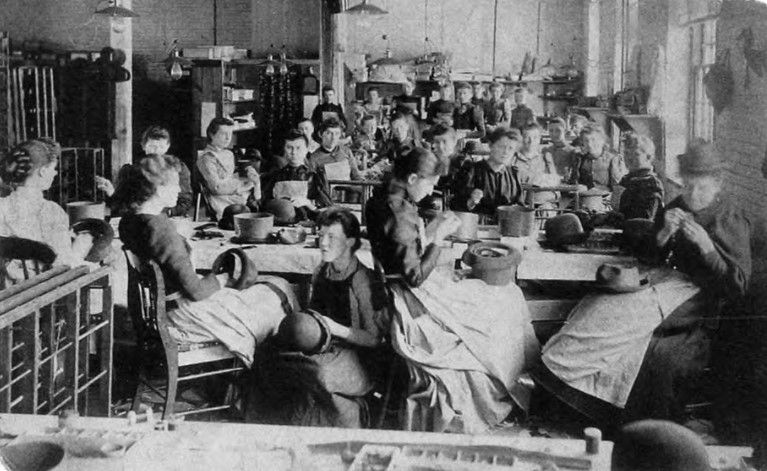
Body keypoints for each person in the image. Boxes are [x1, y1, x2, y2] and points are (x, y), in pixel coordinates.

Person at [537, 140, 751, 427]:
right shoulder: (677, 205)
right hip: (664, 279)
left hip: (698, 296)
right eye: (687, 186)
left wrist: (707, 248)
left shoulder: (731, 217)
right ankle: (561, 381)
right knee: (597, 304)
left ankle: (577, 382)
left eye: (701, 188)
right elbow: (651, 255)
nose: (693, 194)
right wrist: (663, 233)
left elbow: (737, 285)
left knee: (618, 313)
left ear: (718, 185)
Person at [366, 147, 538, 433]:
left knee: (495, 296)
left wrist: (430, 229)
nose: (432, 189)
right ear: (411, 178)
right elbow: (415, 276)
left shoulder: (382, 199)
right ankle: (506, 386)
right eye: (430, 183)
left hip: (397, 284)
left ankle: (514, 379)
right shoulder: (399, 213)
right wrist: (439, 239)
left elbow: (398, 249)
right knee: (502, 303)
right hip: (409, 296)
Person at [116, 155, 299, 367]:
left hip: (158, 311)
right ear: (158, 188)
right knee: (279, 289)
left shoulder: (130, 221)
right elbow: (196, 291)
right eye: (175, 184)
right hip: (183, 315)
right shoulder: (160, 229)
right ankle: (280, 367)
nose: (179, 190)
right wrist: (222, 278)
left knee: (268, 288)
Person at [306, 208, 391, 427]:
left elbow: (374, 339)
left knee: (317, 374)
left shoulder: (361, 279)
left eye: (331, 237)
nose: (323, 243)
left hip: (361, 360)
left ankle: (360, 412)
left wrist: (334, 328)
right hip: (327, 350)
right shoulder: (321, 271)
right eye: (320, 235)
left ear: (351, 241)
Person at [0, 138, 94, 274]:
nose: (55, 173)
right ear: (43, 171)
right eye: (54, 168)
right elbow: (62, 264)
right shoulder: (53, 211)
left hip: (7, 290)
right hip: (44, 289)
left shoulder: (1, 205)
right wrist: (83, 243)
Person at [96, 126, 194, 217]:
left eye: (161, 147)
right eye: (152, 146)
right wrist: (112, 192)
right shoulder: (132, 170)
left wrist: (160, 212)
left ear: (168, 147)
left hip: (168, 217)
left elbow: (185, 202)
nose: (156, 151)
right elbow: (121, 206)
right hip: (139, 218)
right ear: (143, 146)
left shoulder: (176, 168)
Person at [197, 117, 261, 220]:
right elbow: (216, 187)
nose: (228, 138)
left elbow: (230, 176)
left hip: (232, 192)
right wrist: (240, 186)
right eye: (223, 134)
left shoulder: (228, 153)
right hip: (220, 198)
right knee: (250, 208)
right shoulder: (207, 158)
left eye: (230, 134)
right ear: (211, 134)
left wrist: (248, 177)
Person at [452, 127, 524, 216]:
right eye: (501, 146)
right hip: (477, 225)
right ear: (490, 145)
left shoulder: (514, 175)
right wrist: (471, 202)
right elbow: (456, 206)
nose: (505, 152)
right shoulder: (472, 171)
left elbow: (520, 208)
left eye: (510, 148)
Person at [263, 130, 333, 221]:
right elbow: (265, 204)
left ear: (306, 149)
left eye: (298, 148)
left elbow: (326, 208)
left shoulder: (315, 177)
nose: (294, 152)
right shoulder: (275, 176)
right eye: (289, 147)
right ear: (284, 149)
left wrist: (307, 203)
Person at [615, 133, 664, 221]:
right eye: (626, 153)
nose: (629, 157)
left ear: (648, 157)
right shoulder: (627, 179)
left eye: (636, 154)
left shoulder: (651, 184)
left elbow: (645, 219)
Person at [569, 124, 627, 193]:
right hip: (584, 199)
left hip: (606, 200)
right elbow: (573, 182)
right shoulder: (580, 159)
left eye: (593, 140)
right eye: (586, 140)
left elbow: (618, 188)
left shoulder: (613, 159)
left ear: (602, 141)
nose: (590, 144)